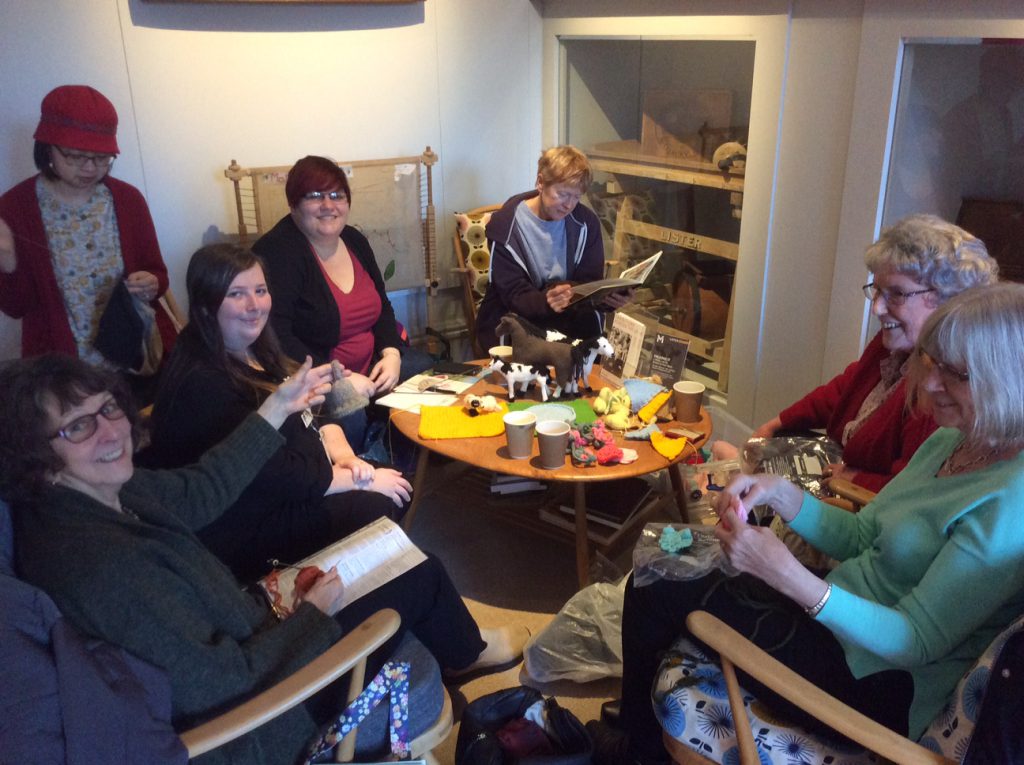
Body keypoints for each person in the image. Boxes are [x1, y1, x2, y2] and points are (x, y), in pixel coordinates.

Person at [0, 354, 528, 765]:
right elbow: (220, 685)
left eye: (108, 408)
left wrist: (276, 407)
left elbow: (205, 486)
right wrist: (311, 617)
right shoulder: (102, 568)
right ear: (35, 457)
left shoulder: (104, 495)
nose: (111, 431)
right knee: (417, 575)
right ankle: (463, 654)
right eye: (77, 427)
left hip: (256, 628)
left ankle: (459, 653)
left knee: (390, 547)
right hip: (273, 717)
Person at [591, 282, 1024, 765]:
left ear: (1008, 378)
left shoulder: (1010, 504)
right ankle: (638, 730)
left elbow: (916, 641)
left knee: (656, 587)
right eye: (933, 362)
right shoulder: (952, 441)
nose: (932, 382)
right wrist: (784, 494)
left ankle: (635, 744)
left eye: (956, 373)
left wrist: (790, 577)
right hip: (841, 619)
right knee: (665, 566)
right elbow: (863, 535)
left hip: (879, 685)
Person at [145, 243, 411, 581]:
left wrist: (345, 457)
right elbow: (272, 475)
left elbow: (313, 416)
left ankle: (349, 586)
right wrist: (362, 480)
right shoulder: (203, 381)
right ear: (206, 305)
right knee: (385, 500)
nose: (254, 305)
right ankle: (323, 601)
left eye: (260, 290)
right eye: (236, 294)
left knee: (397, 484)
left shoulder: (257, 349)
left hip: (292, 481)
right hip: (245, 519)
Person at [720, 214, 998, 492]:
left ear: (947, 300)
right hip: (836, 470)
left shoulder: (941, 390)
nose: (877, 308)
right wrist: (777, 423)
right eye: (877, 291)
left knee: (731, 477)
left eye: (897, 294)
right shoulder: (894, 343)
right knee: (728, 460)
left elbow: (913, 494)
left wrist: (855, 480)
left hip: (857, 510)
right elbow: (848, 389)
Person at [0, 85, 175, 401]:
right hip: (63, 373)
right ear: (47, 148)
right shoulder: (14, 208)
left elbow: (158, 276)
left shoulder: (127, 199)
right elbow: (16, 307)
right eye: (77, 156)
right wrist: (8, 260)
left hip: (133, 361)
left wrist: (151, 282)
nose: (91, 168)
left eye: (102, 158)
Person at [252, 155, 433, 451]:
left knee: (427, 373)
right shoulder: (278, 251)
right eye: (314, 196)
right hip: (318, 376)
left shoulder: (354, 239)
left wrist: (391, 354)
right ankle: (363, 475)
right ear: (293, 203)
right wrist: (340, 379)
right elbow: (276, 335)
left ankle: (404, 459)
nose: (328, 205)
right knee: (349, 414)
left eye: (337, 195)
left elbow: (382, 306)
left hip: (370, 365)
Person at [475, 145, 632, 352]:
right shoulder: (505, 226)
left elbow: (589, 283)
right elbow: (513, 293)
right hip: (519, 312)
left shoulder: (586, 223)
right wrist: (546, 301)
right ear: (540, 182)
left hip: (568, 312)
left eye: (576, 197)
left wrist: (608, 300)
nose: (569, 205)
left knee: (591, 330)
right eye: (563, 194)